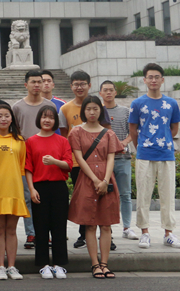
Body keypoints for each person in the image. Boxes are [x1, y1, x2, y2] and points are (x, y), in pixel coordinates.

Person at [129, 63, 180, 249]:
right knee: (143, 194)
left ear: (162, 80)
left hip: (166, 154)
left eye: (157, 77)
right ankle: (144, 232)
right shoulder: (137, 104)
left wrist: (164, 140)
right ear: (144, 80)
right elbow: (133, 130)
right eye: (150, 77)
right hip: (145, 155)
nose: (153, 80)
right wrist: (141, 147)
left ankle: (169, 233)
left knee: (168, 195)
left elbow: (174, 128)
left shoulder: (171, 103)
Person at [68, 96, 121, 279]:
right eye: (88, 109)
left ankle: (105, 264)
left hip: (107, 180)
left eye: (95, 109)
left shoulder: (109, 133)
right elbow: (79, 158)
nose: (92, 112)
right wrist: (95, 180)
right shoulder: (76, 132)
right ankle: (95, 264)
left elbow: (111, 158)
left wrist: (105, 181)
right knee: (89, 225)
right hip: (86, 180)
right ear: (83, 111)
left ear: (101, 111)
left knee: (106, 225)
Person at [58, 70, 108, 249]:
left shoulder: (99, 106)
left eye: (83, 84)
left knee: (102, 198)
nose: (79, 87)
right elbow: (64, 137)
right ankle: (83, 234)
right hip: (77, 162)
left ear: (89, 85)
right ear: (71, 86)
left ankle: (106, 235)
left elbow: (106, 132)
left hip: (99, 161)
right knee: (83, 198)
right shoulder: (65, 109)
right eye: (76, 84)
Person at [0, 103, 29, 281]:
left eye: (7, 116)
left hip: (14, 189)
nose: (3, 119)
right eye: (0, 115)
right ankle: (0, 266)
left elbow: (22, 167)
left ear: (12, 119)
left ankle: (12, 266)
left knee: (12, 230)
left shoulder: (19, 140)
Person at [25, 106, 72, 280]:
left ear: (55, 121)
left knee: (59, 227)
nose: (47, 120)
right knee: (41, 227)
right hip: (39, 187)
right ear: (39, 119)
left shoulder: (62, 141)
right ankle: (43, 264)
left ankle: (59, 264)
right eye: (44, 117)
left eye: (51, 117)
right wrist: (31, 189)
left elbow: (68, 164)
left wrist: (54, 161)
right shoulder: (31, 141)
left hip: (58, 187)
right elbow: (28, 168)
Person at [11, 69, 54, 249]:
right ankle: (31, 233)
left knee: (45, 196)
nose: (37, 85)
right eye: (33, 82)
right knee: (28, 196)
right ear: (26, 84)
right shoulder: (17, 107)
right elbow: (14, 132)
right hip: (25, 157)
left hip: (46, 159)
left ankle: (46, 233)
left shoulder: (50, 106)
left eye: (39, 81)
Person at [100, 80, 138, 241]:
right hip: (103, 160)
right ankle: (105, 228)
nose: (108, 92)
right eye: (105, 90)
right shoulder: (98, 111)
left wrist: (124, 142)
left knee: (125, 194)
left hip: (123, 158)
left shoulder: (125, 111)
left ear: (116, 92)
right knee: (104, 194)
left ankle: (127, 227)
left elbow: (133, 131)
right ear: (100, 93)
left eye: (111, 90)